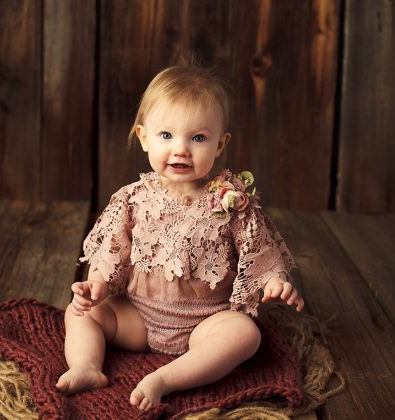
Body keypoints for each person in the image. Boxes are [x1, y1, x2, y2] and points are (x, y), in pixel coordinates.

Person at [55, 65, 304, 410]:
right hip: (138, 318)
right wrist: (95, 285)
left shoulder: (231, 201)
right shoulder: (132, 199)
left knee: (245, 334)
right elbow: (109, 252)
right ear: (144, 137)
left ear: (220, 144)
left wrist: (275, 281)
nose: (181, 149)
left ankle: (167, 378)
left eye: (198, 138)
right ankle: (86, 365)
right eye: (167, 136)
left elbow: (259, 249)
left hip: (205, 321)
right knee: (82, 312)